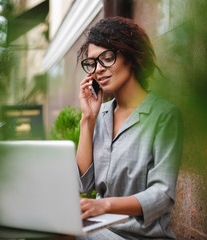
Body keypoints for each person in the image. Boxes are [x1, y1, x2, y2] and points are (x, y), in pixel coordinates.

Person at [76, 16, 183, 240]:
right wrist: (88, 119)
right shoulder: (102, 114)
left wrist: (103, 206)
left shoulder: (164, 115)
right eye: (93, 63)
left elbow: (162, 195)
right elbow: (85, 184)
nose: (98, 69)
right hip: (99, 229)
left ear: (130, 57)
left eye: (106, 58)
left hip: (140, 235)